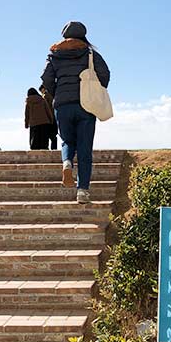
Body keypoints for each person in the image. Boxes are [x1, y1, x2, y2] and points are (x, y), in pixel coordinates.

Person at [41, 21, 110, 204]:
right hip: (86, 104)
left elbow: (46, 79)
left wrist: (58, 93)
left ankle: (67, 163)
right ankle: (82, 191)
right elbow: (105, 74)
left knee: (67, 140)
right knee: (84, 148)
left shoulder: (54, 54)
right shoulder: (89, 53)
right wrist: (95, 88)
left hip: (62, 105)